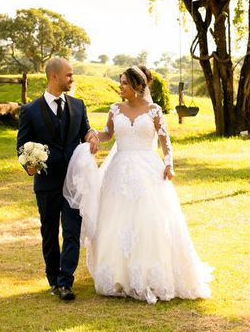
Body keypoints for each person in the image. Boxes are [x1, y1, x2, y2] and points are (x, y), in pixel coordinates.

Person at [64, 65, 213, 304]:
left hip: (148, 169)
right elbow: (107, 134)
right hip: (119, 170)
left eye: (124, 83)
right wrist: (92, 136)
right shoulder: (115, 109)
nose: (120, 87)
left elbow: (165, 140)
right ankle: (118, 275)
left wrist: (168, 163)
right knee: (116, 220)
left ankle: (148, 273)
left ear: (137, 86)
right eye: (120, 82)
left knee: (149, 219)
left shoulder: (154, 110)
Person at [17, 57, 99, 301]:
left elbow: (85, 130)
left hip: (74, 182)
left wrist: (91, 137)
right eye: (69, 75)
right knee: (50, 233)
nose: (72, 79)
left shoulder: (78, 105)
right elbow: (22, 145)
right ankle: (53, 279)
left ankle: (65, 282)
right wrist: (30, 166)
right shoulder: (30, 111)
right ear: (53, 76)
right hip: (47, 183)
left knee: (72, 232)